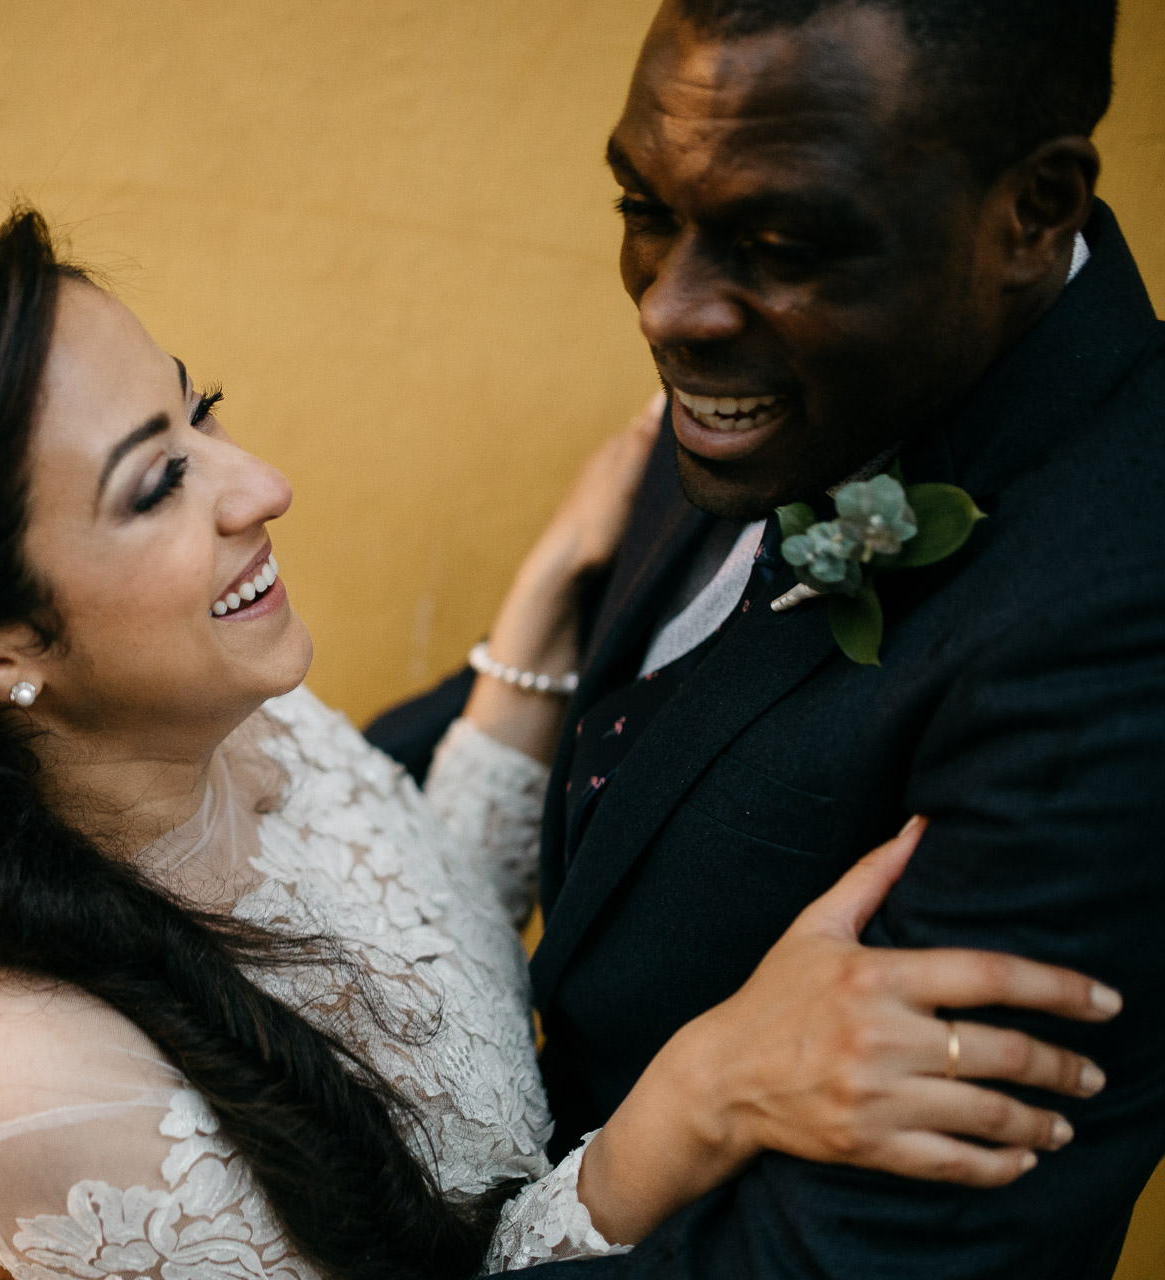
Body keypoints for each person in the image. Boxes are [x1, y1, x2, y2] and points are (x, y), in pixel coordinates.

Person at [0, 211, 1118, 1280]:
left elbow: (433, 945)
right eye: (158, 483)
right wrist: (694, 1103)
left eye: (204, 410)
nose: (263, 487)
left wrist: (546, 615)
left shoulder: (234, 717)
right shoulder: (50, 1088)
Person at [370, 0, 1165, 1274]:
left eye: (781, 240)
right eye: (642, 207)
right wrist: (118, 1111)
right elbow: (606, 729)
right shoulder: (795, 362)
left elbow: (857, 1255)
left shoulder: (1120, 628)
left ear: (1035, 211)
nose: (669, 310)